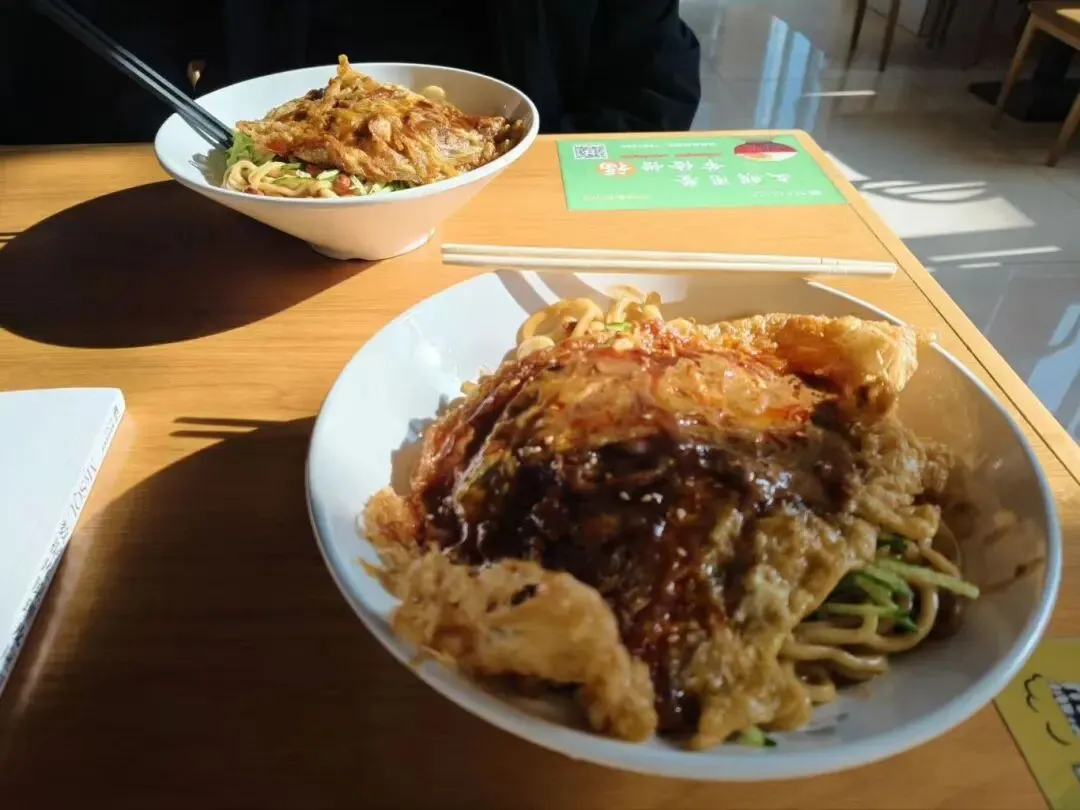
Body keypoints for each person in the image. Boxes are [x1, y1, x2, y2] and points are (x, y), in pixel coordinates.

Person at [0, 0, 701, 144]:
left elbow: (653, 92)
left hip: (521, 199)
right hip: (270, 222)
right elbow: (81, 79)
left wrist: (513, 168)